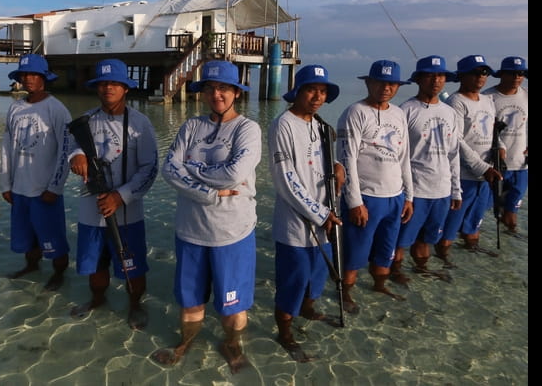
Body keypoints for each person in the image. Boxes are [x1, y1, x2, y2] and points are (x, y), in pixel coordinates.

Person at [152, 60, 262, 374]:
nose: (217, 94)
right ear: (202, 93)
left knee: (233, 306)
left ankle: (232, 344)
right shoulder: (191, 127)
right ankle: (185, 343)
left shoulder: (248, 129)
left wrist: (193, 169)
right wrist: (210, 193)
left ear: (236, 93)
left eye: (224, 88)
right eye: (211, 88)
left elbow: (234, 174)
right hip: (190, 232)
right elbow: (168, 170)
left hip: (232, 234)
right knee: (190, 302)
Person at [68, 59, 158, 329]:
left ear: (126, 88)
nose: (108, 88)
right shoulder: (86, 120)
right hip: (90, 210)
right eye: (103, 83)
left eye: (115, 83)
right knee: (95, 264)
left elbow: (150, 168)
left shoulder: (140, 124)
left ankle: (135, 304)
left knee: (132, 266)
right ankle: (97, 299)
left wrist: (120, 196)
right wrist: (77, 155)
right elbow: (70, 146)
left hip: (126, 212)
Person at [268, 64, 345, 362]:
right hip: (295, 222)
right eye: (311, 89)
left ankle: (308, 309)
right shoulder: (283, 124)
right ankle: (284, 331)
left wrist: (340, 169)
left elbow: (328, 164)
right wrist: (318, 213)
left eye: (323, 91)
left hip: (325, 215)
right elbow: (285, 179)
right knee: (293, 278)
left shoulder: (322, 125)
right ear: (298, 92)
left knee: (317, 273)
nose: (317, 96)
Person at [336, 59, 414, 306]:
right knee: (354, 255)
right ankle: (345, 292)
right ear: (369, 82)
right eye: (380, 82)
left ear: (398, 86)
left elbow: (404, 157)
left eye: (392, 83)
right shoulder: (355, 112)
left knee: (385, 253)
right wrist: (355, 202)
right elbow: (347, 159)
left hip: (395, 197)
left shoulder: (399, 114)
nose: (386, 88)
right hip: (367, 198)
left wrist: (409, 196)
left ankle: (380, 286)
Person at [0, 54, 71, 290]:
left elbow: (66, 150)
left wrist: (55, 187)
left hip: (44, 189)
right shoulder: (14, 108)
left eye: (34, 75)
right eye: (24, 75)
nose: (28, 79)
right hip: (19, 188)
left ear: (43, 78)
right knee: (26, 237)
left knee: (54, 238)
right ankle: (31, 266)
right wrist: (5, 184)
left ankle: (59, 273)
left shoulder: (56, 109)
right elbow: (6, 148)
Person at [391, 56, 462, 283]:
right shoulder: (406, 111)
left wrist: (456, 189)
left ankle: (422, 271)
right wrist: (404, 192)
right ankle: (395, 273)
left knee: (426, 240)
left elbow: (453, 153)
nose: (436, 80)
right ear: (419, 79)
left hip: (441, 191)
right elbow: (396, 155)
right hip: (416, 190)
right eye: (430, 75)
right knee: (402, 241)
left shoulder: (450, 112)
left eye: (440, 76)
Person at [436, 55, 504, 263]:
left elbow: (492, 130)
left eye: (484, 72)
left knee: (476, 219)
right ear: (462, 76)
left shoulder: (487, 100)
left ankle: (472, 249)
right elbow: (456, 140)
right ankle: (443, 256)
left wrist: (500, 147)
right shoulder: (456, 102)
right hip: (465, 174)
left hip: (487, 173)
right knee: (452, 222)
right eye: (475, 73)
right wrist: (481, 166)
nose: (480, 77)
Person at [483, 56, 528, 236]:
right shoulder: (487, 97)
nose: (517, 77)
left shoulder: (526, 96)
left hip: (521, 165)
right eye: (512, 73)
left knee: (511, 212)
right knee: (482, 210)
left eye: (521, 73)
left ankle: (510, 244)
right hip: (494, 166)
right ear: (502, 74)